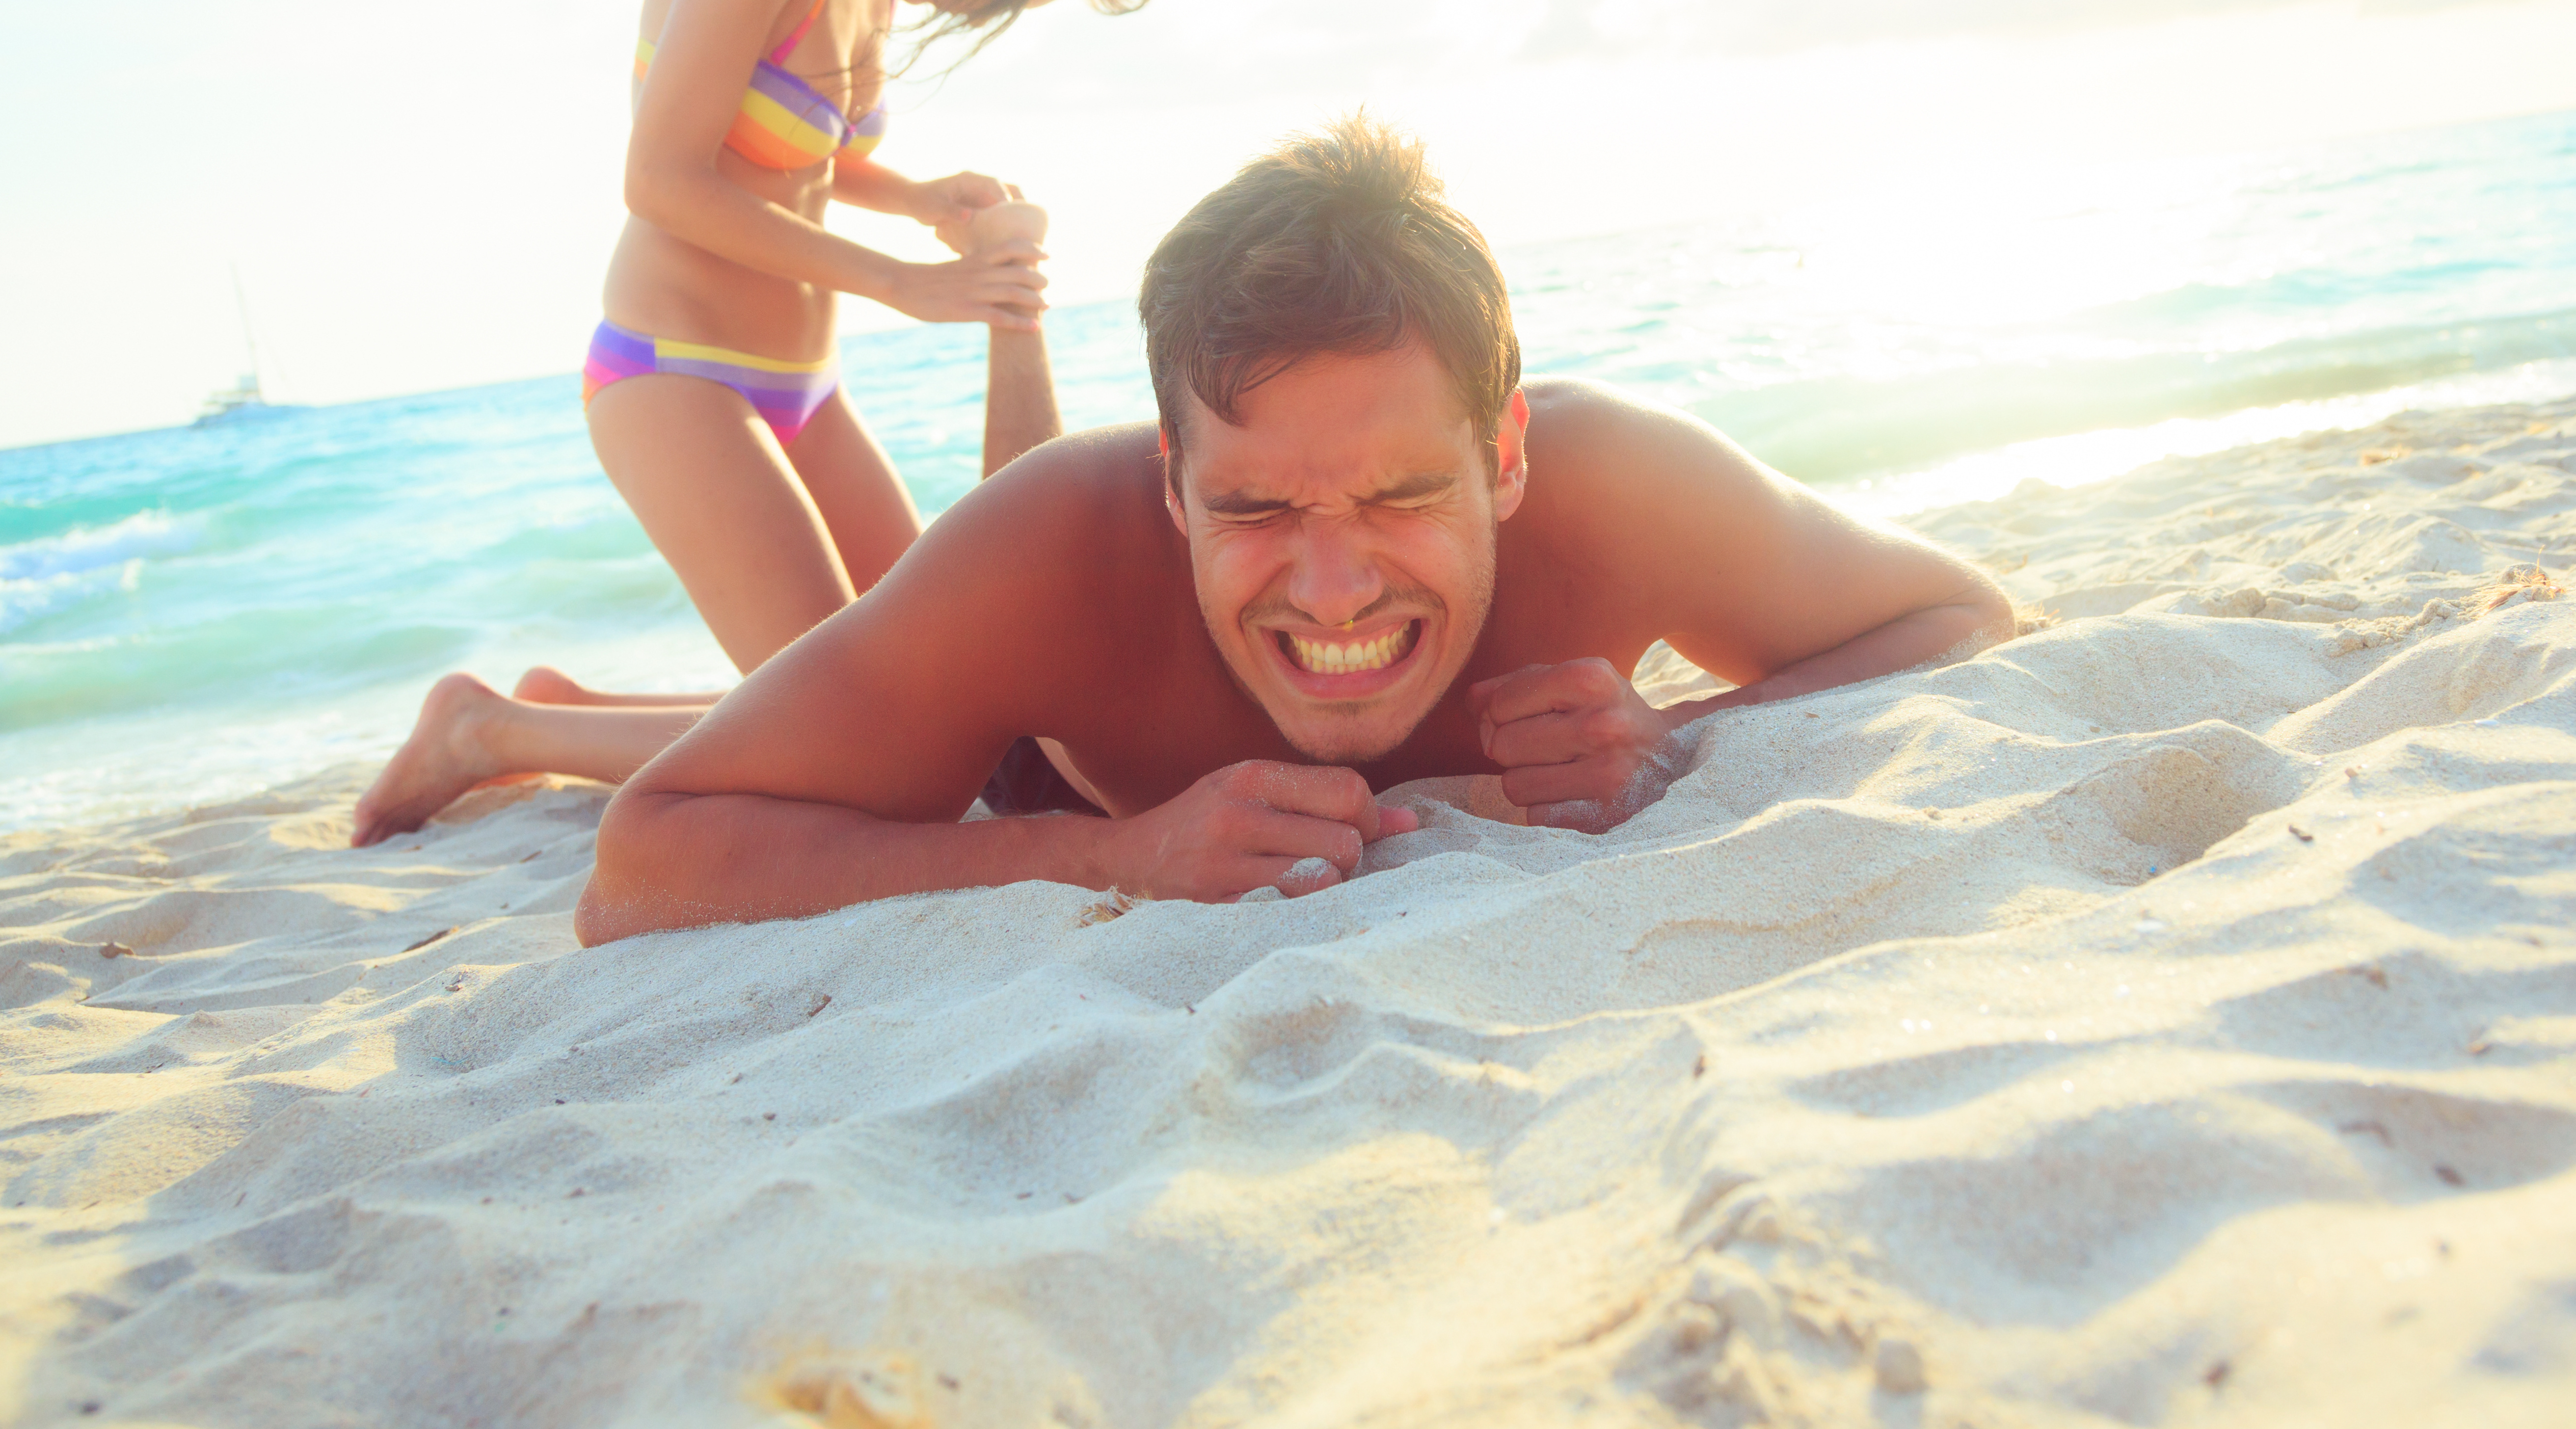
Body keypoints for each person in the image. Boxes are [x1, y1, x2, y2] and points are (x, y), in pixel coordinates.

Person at [575, 115, 2013, 943]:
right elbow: (647, 861)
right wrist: (1113, 855)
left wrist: (1688, 738)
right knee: (834, 731)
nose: (1333, 591)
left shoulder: (1614, 489)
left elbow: (1962, 621)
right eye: (1255, 507)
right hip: (1044, 773)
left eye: (1401, 496)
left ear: (1503, 455)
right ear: (1169, 483)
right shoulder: (1053, 551)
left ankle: (514, 728)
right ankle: (511, 737)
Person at [351, 0, 1165, 847]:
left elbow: (795, 149)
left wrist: (917, 197)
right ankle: (493, 731)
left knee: (955, 691)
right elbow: (661, 176)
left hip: (807, 390)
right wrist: (901, 284)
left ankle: (574, 712)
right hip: (678, 374)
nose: (975, 7)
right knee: (869, 746)